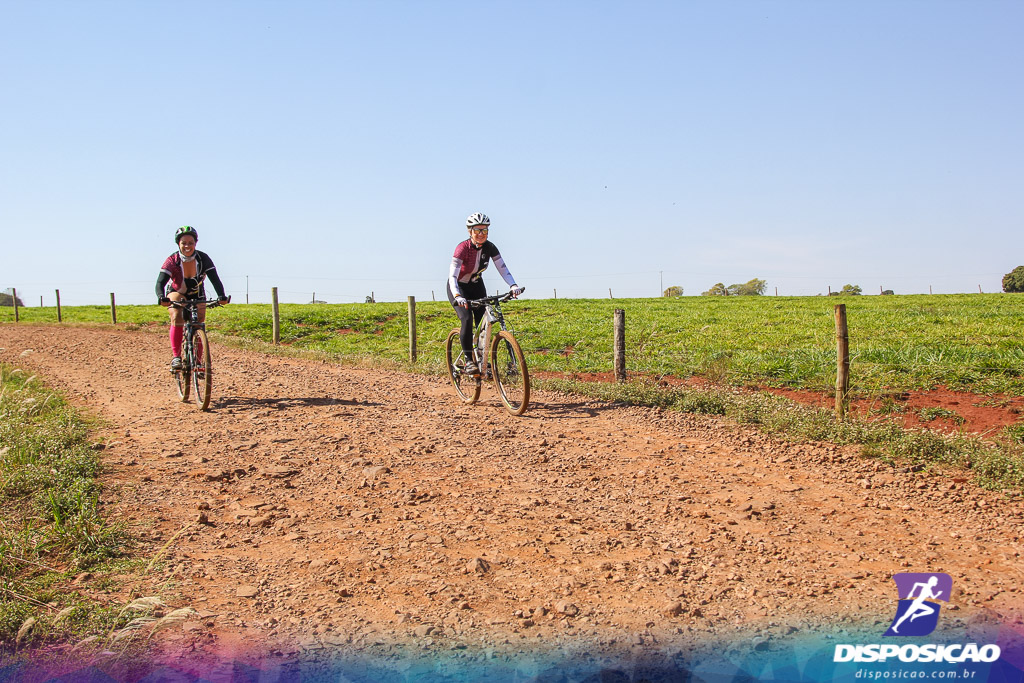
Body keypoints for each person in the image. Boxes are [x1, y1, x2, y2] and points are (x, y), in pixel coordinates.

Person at [447, 212, 524, 376]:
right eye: (477, 230)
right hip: (459, 288)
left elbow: (503, 268)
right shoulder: (462, 248)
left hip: (476, 285)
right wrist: (457, 296)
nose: (481, 234)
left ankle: (482, 359)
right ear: (470, 231)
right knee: (467, 319)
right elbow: (452, 276)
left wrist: (513, 285)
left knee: (483, 322)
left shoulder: (490, 247)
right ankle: (468, 361)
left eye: (485, 230)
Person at [155, 226, 229, 371]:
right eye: (184, 243)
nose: (187, 246)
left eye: (191, 243)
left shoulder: (203, 258)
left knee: (199, 322)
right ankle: (176, 357)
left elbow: (215, 279)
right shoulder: (172, 260)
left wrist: (221, 295)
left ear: (196, 243)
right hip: (177, 292)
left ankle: (199, 361)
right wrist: (161, 297)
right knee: (177, 315)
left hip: (197, 293)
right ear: (178, 244)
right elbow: (160, 282)